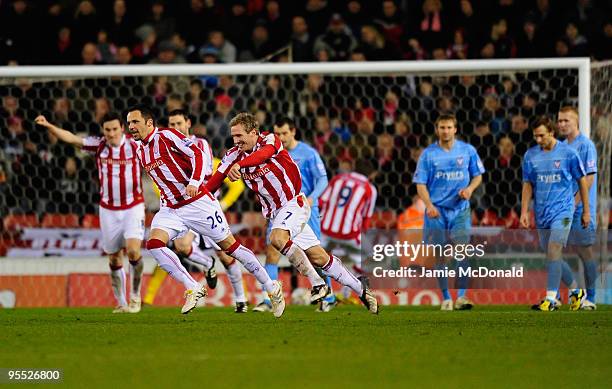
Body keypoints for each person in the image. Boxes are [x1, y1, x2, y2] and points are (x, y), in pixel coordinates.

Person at [205, 112, 378, 314]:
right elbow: (215, 179)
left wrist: (239, 166)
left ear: (253, 133)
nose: (235, 141)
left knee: (277, 238)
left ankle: (318, 284)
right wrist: (196, 196)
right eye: (233, 137)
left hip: (294, 202)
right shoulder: (233, 154)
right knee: (319, 257)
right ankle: (361, 289)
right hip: (274, 213)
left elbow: (263, 154)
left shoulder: (271, 140)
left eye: (239, 136)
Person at [125, 104, 284, 316]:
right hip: (171, 208)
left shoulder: (166, 136)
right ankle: (193, 286)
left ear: (149, 123)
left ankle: (272, 288)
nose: (131, 127)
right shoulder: (140, 149)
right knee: (154, 244)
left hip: (197, 202)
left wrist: (195, 181)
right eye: (129, 123)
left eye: (135, 122)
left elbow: (197, 154)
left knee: (230, 248)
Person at [34, 113, 145, 314]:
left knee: (133, 251)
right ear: (103, 130)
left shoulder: (135, 145)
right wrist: (49, 125)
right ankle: (121, 302)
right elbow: (71, 138)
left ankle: (135, 296)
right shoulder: (99, 145)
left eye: (115, 129)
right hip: (108, 209)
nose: (111, 134)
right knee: (113, 258)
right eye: (107, 130)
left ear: (122, 128)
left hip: (133, 206)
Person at [143, 109, 249, 313]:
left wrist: (223, 204)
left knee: (227, 255)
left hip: (203, 206)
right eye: (171, 125)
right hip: (181, 208)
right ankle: (207, 264)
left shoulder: (200, 145)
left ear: (188, 123)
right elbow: (160, 181)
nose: (175, 128)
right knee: (181, 246)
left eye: (178, 124)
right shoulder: (163, 145)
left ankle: (241, 299)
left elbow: (205, 173)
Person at [252, 117, 332, 313]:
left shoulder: (308, 153)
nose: (281, 137)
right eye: (277, 134)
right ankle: (270, 298)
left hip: (303, 208)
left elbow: (323, 179)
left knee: (316, 255)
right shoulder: (268, 152)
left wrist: (312, 198)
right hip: (279, 210)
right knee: (272, 252)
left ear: (293, 132)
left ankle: (328, 296)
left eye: (285, 133)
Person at [413, 114, 485, 311]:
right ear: (437, 130)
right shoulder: (428, 154)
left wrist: (470, 189)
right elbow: (420, 184)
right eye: (442, 127)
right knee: (440, 255)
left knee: (462, 251)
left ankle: (461, 297)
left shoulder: (468, 150)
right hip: (436, 211)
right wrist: (428, 205)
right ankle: (446, 297)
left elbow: (477, 176)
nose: (445, 131)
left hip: (460, 210)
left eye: (449, 127)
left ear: (455, 129)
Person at [520, 116, 590, 312]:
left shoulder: (568, 154)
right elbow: (527, 184)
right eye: (535, 136)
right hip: (541, 212)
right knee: (552, 254)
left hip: (564, 211)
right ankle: (576, 291)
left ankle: (551, 299)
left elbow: (582, 182)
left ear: (551, 132)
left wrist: (586, 211)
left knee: (554, 248)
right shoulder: (530, 156)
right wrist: (524, 211)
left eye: (542, 135)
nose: (538, 140)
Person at [319, 158, 378, 310]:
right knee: (368, 259)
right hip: (349, 234)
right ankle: (350, 292)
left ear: (353, 167)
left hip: (326, 230)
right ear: (372, 174)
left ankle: (328, 296)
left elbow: (322, 201)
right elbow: (365, 221)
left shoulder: (338, 179)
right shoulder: (370, 189)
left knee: (319, 260)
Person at [557, 106, 598, 310]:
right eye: (560, 121)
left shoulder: (586, 145)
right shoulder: (561, 147)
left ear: (576, 122)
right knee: (552, 250)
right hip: (563, 210)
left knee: (585, 252)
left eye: (567, 121)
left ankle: (590, 298)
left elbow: (589, 178)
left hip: (581, 209)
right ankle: (563, 294)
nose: (562, 124)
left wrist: (575, 203)